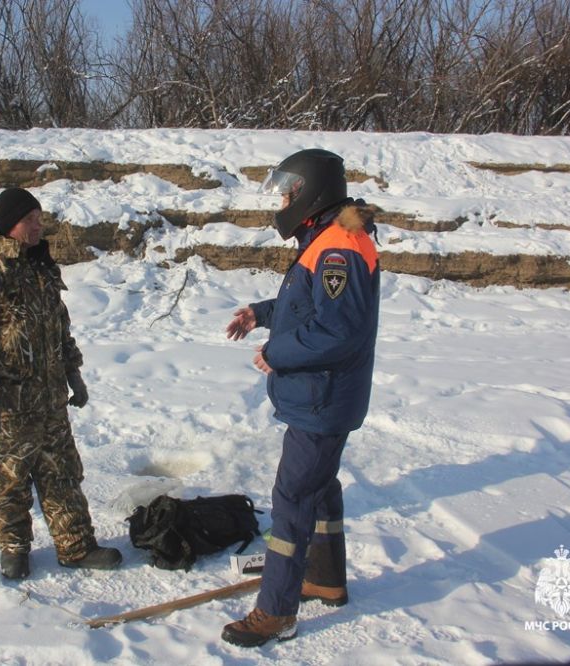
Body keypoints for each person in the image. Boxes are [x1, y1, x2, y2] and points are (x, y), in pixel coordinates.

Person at [221, 149, 380, 647]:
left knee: (292, 501)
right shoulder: (325, 240)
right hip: (324, 395)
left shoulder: (340, 249)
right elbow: (306, 304)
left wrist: (277, 352)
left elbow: (335, 332)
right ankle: (326, 579)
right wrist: (262, 313)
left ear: (311, 192)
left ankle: (276, 611)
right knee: (319, 490)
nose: (284, 198)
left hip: (323, 397)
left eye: (290, 189)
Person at [0, 187, 122, 580]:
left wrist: (72, 371)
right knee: (8, 477)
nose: (39, 225)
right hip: (9, 402)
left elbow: (58, 326)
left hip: (50, 399)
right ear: (11, 224)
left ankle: (76, 547)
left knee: (62, 473)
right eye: (31, 219)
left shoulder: (42, 266)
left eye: (39, 218)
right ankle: (14, 550)